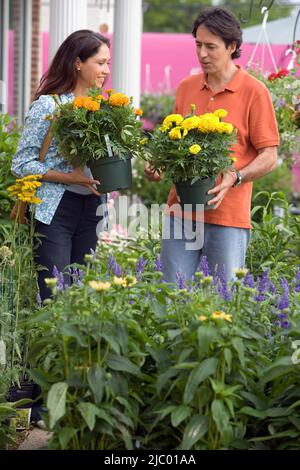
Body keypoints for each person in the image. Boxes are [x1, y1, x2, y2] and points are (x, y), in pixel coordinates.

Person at [145, 7, 279, 283]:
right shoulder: (186, 87)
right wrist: (159, 164)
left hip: (228, 216)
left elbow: (269, 155)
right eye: (198, 45)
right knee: (172, 295)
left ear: (232, 46)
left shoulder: (255, 91)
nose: (202, 54)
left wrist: (236, 175)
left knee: (224, 300)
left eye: (210, 47)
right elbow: (174, 143)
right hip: (181, 211)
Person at [12, 30, 111, 301]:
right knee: (54, 294)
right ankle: (50, 344)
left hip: (93, 209)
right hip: (55, 210)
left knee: (81, 296)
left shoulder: (105, 108)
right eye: (100, 63)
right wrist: (67, 177)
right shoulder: (49, 105)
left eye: (108, 63)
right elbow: (21, 164)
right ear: (78, 63)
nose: (106, 70)